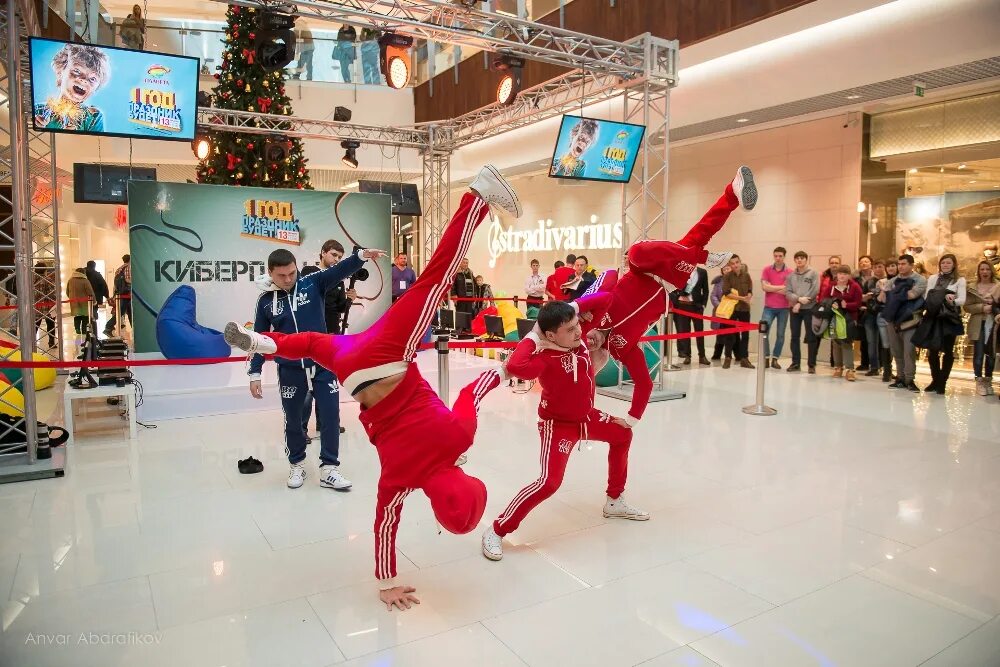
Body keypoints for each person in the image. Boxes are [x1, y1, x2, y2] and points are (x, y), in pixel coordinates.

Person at [223, 164, 519, 610]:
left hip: (387, 358)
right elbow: (384, 524)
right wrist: (387, 585)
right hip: (355, 372)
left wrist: (504, 370)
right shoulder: (401, 478)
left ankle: (477, 197)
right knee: (310, 344)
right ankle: (264, 342)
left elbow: (469, 394)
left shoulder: (460, 437)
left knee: (435, 280)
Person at [576, 166, 756, 422]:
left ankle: (704, 249)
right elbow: (644, 383)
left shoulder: (588, 314)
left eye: (585, 341)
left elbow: (609, 277)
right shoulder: (621, 350)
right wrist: (631, 419)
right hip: (670, 279)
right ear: (601, 359)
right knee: (701, 232)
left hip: (645, 266)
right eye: (593, 351)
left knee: (636, 252)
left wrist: (577, 308)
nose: (589, 342)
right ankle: (733, 191)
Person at [481, 301, 646, 561]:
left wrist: (579, 308)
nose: (578, 332)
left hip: (587, 417)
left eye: (577, 324)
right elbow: (514, 365)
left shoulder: (579, 341)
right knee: (549, 483)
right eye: (569, 329)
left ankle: (614, 500)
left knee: (623, 434)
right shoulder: (543, 360)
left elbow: (607, 291)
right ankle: (498, 528)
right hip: (557, 426)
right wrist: (533, 337)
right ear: (549, 335)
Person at [247, 247, 367, 492]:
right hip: (290, 369)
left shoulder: (312, 283)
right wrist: (255, 372)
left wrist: (361, 257)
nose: (289, 279)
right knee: (293, 420)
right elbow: (258, 338)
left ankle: (329, 469)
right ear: (270, 273)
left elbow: (340, 270)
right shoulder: (266, 301)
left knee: (331, 415)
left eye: (292, 273)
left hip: (323, 364)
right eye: (282, 276)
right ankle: (297, 464)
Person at [33, 43, 109, 132]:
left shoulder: (93, 118)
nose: (84, 80)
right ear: (61, 71)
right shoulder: (38, 111)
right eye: (77, 71)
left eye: (92, 79)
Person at [919, 254, 966, 395]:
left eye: (948, 263)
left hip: (949, 317)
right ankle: (935, 380)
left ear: (954, 264)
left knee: (948, 350)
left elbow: (962, 299)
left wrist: (952, 300)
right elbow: (927, 296)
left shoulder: (960, 280)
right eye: (943, 263)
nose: (945, 265)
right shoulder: (933, 278)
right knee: (932, 351)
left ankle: (942, 382)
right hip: (933, 316)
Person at [880, 254, 927, 392]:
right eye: (899, 264)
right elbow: (882, 299)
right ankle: (900, 378)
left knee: (909, 350)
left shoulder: (920, 279)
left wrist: (893, 295)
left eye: (904, 264)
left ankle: (909, 379)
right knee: (896, 350)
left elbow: (912, 295)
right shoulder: (893, 280)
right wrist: (890, 293)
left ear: (911, 265)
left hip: (910, 320)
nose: (900, 266)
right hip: (892, 319)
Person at [819, 265, 862, 381]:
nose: (842, 276)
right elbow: (824, 300)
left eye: (845, 274)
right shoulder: (831, 286)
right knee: (836, 342)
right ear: (836, 275)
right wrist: (830, 303)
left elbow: (858, 303)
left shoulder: (855, 287)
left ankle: (850, 369)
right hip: (834, 319)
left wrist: (846, 305)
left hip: (849, 319)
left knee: (846, 342)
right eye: (840, 273)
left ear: (849, 276)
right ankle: (838, 367)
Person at [965, 260, 998, 396]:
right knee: (978, 354)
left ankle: (988, 381)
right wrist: (982, 308)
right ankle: (979, 380)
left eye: (987, 269)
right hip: (978, 323)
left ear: (991, 271)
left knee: (991, 354)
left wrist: (994, 307)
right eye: (982, 269)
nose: (984, 272)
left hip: (994, 324)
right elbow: (966, 307)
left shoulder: (998, 286)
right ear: (978, 271)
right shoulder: (972, 287)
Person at [785, 251, 819, 373]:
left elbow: (815, 290)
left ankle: (811, 365)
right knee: (794, 336)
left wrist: (800, 302)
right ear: (795, 260)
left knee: (811, 337)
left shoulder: (813, 273)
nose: (799, 260)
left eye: (802, 258)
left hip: (809, 308)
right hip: (794, 309)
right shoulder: (790, 276)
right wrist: (798, 299)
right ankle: (795, 363)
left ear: (806, 260)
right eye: (797, 258)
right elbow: (787, 292)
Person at [760, 246, 792, 369]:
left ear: (784, 257)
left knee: (780, 334)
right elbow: (764, 288)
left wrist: (772, 287)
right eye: (776, 256)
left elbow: (787, 291)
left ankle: (775, 359)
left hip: (784, 308)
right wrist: (780, 287)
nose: (778, 258)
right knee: (764, 332)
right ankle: (766, 358)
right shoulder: (767, 270)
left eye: (780, 256)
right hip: (769, 307)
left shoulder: (790, 272)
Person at [672, 266, 710, 365]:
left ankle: (702, 356)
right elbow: (674, 287)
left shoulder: (702, 272)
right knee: (685, 332)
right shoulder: (680, 270)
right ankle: (687, 356)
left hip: (697, 307)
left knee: (699, 332)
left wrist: (703, 304)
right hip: (682, 306)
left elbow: (705, 290)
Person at [722, 255, 754, 369]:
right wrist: (742, 298)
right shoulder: (727, 277)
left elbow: (750, 290)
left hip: (744, 309)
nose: (735, 265)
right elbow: (727, 293)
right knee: (729, 335)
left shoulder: (747, 276)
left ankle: (744, 359)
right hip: (731, 309)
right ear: (730, 265)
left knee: (745, 335)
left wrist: (749, 296)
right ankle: (727, 357)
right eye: (732, 263)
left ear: (740, 262)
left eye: (737, 262)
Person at [856, 255, 880, 375]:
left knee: (881, 341)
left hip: (880, 312)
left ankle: (883, 366)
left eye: (866, 261)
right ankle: (868, 363)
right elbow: (859, 295)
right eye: (861, 262)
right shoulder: (857, 278)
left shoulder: (880, 279)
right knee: (866, 339)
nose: (864, 263)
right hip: (864, 311)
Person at [104, 255, 132, 336]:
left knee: (128, 311)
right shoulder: (128, 267)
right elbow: (128, 280)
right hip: (127, 293)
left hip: (121, 293)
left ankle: (135, 329)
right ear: (130, 259)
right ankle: (108, 327)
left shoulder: (119, 269)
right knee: (122, 312)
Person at [709, 264, 732, 363]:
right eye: (724, 269)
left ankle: (730, 355)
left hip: (731, 311)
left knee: (731, 334)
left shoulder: (735, 280)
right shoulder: (718, 282)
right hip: (720, 311)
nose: (726, 270)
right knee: (720, 334)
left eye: (728, 268)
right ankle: (717, 354)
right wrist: (720, 306)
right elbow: (713, 295)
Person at [66, 267, 95, 339]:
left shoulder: (70, 280)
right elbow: (90, 292)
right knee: (85, 315)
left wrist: (71, 297)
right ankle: (84, 329)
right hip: (84, 301)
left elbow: (67, 291)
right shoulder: (85, 280)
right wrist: (94, 301)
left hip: (74, 301)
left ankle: (77, 328)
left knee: (77, 315)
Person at [452, 257, 476, 328]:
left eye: (467, 263)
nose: (466, 264)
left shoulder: (470, 273)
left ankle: (468, 330)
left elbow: (474, 284)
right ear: (460, 263)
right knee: (461, 314)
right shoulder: (456, 273)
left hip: (470, 298)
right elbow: (452, 285)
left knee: (469, 315)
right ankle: (459, 330)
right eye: (464, 263)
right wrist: (454, 295)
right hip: (460, 298)